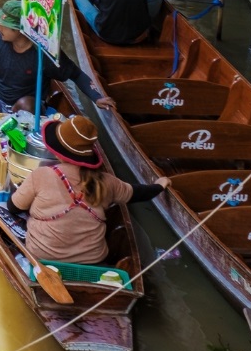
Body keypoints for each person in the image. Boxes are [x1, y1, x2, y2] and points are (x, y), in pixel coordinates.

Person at [9, 114, 169, 266]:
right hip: (93, 261)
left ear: (58, 152)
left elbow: (14, 207)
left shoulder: (40, 175)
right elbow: (139, 193)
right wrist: (160, 185)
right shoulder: (107, 182)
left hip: (42, 258)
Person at [0, 0, 110, 116]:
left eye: (4, 26)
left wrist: (96, 97)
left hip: (26, 109)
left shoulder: (44, 52)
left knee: (27, 104)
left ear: (19, 30)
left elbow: (75, 74)